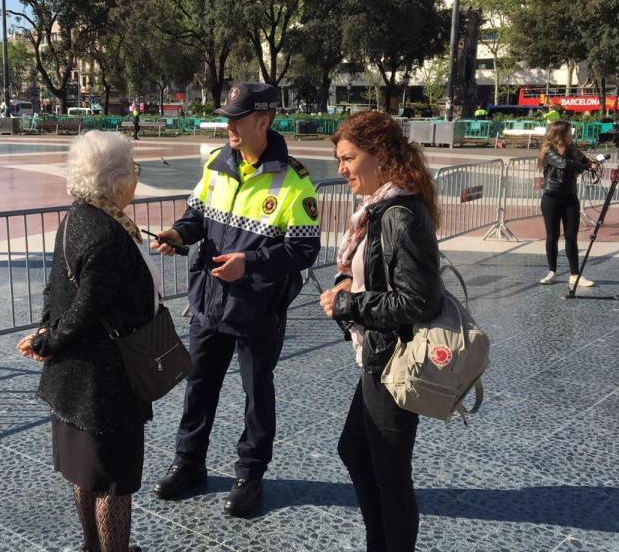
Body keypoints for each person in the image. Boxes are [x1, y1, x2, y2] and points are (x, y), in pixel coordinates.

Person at [150, 82, 321, 517]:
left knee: (256, 394)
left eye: (236, 118)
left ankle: (250, 474)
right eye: (226, 117)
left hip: (258, 309)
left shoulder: (294, 180)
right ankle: (188, 463)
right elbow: (196, 218)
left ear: (263, 121)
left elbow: (304, 250)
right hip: (209, 301)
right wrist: (177, 234)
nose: (228, 125)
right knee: (199, 387)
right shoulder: (215, 163)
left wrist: (251, 262)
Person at [17, 130, 152, 552]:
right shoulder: (109, 235)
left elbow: (58, 287)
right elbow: (84, 310)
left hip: (76, 378)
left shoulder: (78, 216)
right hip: (104, 383)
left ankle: (91, 547)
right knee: (112, 483)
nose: (134, 178)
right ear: (117, 181)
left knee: (84, 473)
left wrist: (45, 334)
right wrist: (47, 342)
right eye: (133, 170)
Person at [318, 111, 443, 552]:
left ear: (380, 155)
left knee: (390, 475)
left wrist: (350, 303)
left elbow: (420, 300)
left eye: (348, 158)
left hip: (394, 360)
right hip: (378, 354)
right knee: (355, 451)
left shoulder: (399, 214)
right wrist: (348, 285)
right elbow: (380, 277)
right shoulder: (379, 210)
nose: (342, 169)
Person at [537, 120, 597, 287]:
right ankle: (552, 271)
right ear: (561, 134)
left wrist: (591, 163)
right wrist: (581, 166)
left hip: (570, 197)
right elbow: (563, 163)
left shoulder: (572, 148)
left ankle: (575, 274)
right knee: (552, 236)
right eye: (570, 132)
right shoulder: (549, 150)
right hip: (551, 197)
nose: (572, 135)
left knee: (571, 236)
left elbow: (584, 161)